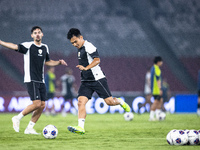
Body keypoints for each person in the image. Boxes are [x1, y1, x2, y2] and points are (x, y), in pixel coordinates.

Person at [0, 26, 67, 134]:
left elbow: (48, 62)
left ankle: (29, 128)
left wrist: (58, 62)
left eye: (39, 32)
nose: (37, 34)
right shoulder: (28, 46)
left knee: (42, 105)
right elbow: (14, 46)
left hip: (41, 80)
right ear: (32, 35)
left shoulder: (45, 47)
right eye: (35, 33)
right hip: (31, 79)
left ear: (42, 34)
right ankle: (17, 118)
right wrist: (1, 42)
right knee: (36, 104)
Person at [66, 28, 130, 135]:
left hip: (97, 79)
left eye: (75, 41)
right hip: (86, 81)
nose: (74, 44)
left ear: (81, 37)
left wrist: (86, 68)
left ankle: (119, 101)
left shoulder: (89, 46)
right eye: (72, 43)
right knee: (80, 102)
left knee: (110, 102)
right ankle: (81, 127)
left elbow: (97, 60)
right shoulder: (79, 49)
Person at [149, 56, 163, 121]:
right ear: (158, 62)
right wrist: (160, 89)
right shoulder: (156, 68)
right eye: (161, 61)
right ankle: (151, 117)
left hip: (154, 88)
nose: (162, 63)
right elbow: (158, 80)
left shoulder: (152, 68)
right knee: (156, 102)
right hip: (156, 89)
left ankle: (158, 115)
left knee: (160, 101)